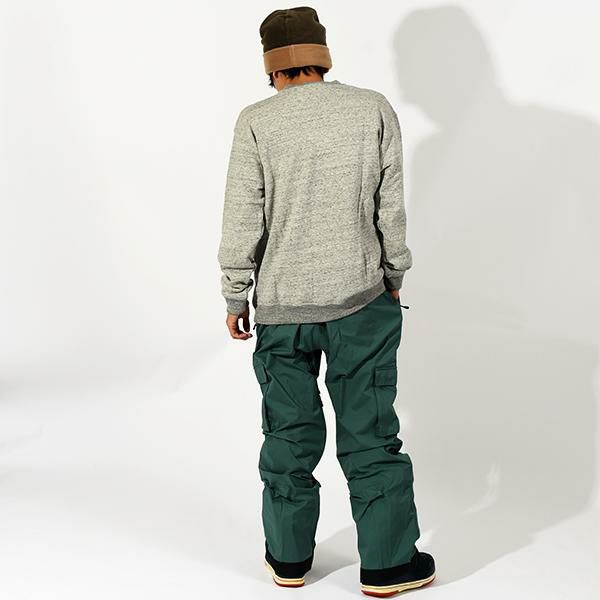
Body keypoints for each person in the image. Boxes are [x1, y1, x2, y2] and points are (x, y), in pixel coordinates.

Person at [217, 6, 436, 597]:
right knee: (370, 433)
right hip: (361, 303)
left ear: (271, 66)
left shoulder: (256, 121)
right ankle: (388, 565)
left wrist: (236, 293)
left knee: (288, 435)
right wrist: (394, 271)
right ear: (322, 56)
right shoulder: (372, 109)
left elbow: (243, 217)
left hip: (281, 313)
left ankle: (289, 561)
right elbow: (389, 208)